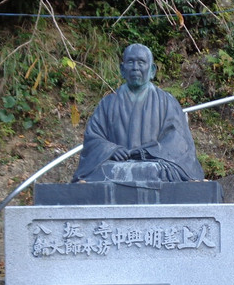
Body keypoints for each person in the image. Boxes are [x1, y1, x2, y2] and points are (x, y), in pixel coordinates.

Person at [73, 44, 205, 182]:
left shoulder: (167, 102)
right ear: (122, 69)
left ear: (152, 70)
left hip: (153, 165)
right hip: (115, 167)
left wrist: (147, 153)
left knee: (158, 171)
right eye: (130, 62)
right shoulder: (107, 103)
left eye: (141, 62)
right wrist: (111, 150)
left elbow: (179, 142)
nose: (135, 67)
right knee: (102, 172)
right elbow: (93, 138)